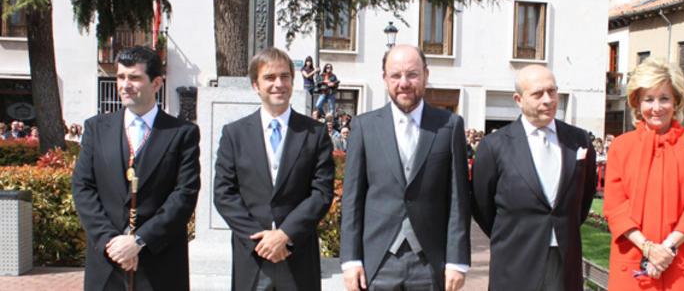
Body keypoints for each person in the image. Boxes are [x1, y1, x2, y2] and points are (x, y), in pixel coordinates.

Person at [341, 45, 470, 291]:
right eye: (395, 75)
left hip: (431, 261)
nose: (404, 83)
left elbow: (458, 199)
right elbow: (352, 199)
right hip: (377, 260)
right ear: (384, 78)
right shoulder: (364, 127)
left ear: (425, 75)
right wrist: (351, 260)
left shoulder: (449, 125)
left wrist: (457, 260)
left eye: (412, 74)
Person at [72, 46, 200, 291]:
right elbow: (82, 187)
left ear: (157, 83)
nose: (125, 84)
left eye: (135, 77)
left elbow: (184, 195)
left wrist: (139, 241)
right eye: (121, 77)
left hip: (159, 262)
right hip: (107, 260)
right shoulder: (96, 128)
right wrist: (112, 241)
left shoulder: (182, 133)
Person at [214, 47, 334, 291]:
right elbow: (224, 194)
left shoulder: (315, 133)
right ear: (255, 85)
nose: (279, 84)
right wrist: (262, 240)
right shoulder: (235, 134)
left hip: (297, 254)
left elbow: (321, 192)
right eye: (269, 77)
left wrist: (285, 234)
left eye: (285, 76)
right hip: (252, 256)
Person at [471, 64, 597, 291]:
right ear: (518, 99)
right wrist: (514, 231)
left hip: (564, 259)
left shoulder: (579, 140)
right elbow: (482, 205)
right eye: (538, 94)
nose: (548, 100)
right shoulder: (494, 145)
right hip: (515, 260)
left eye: (552, 91)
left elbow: (584, 197)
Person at [603, 57, 684, 290]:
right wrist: (648, 248)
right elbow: (615, 208)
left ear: (676, 101)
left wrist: (667, 249)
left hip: (681, 264)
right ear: (637, 102)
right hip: (633, 259)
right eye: (648, 99)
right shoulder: (621, 147)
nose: (656, 108)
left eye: (664, 99)